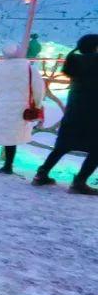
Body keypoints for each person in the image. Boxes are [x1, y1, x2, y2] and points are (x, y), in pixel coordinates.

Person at [33, 34, 97, 194]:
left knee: (63, 146)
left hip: (74, 110)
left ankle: (42, 173)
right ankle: (80, 181)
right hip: (94, 113)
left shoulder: (75, 62)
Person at [0, 43, 44, 175]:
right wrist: (38, 105)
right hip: (21, 108)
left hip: (0, 106)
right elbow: (39, 89)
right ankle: (8, 166)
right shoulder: (30, 69)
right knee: (12, 137)